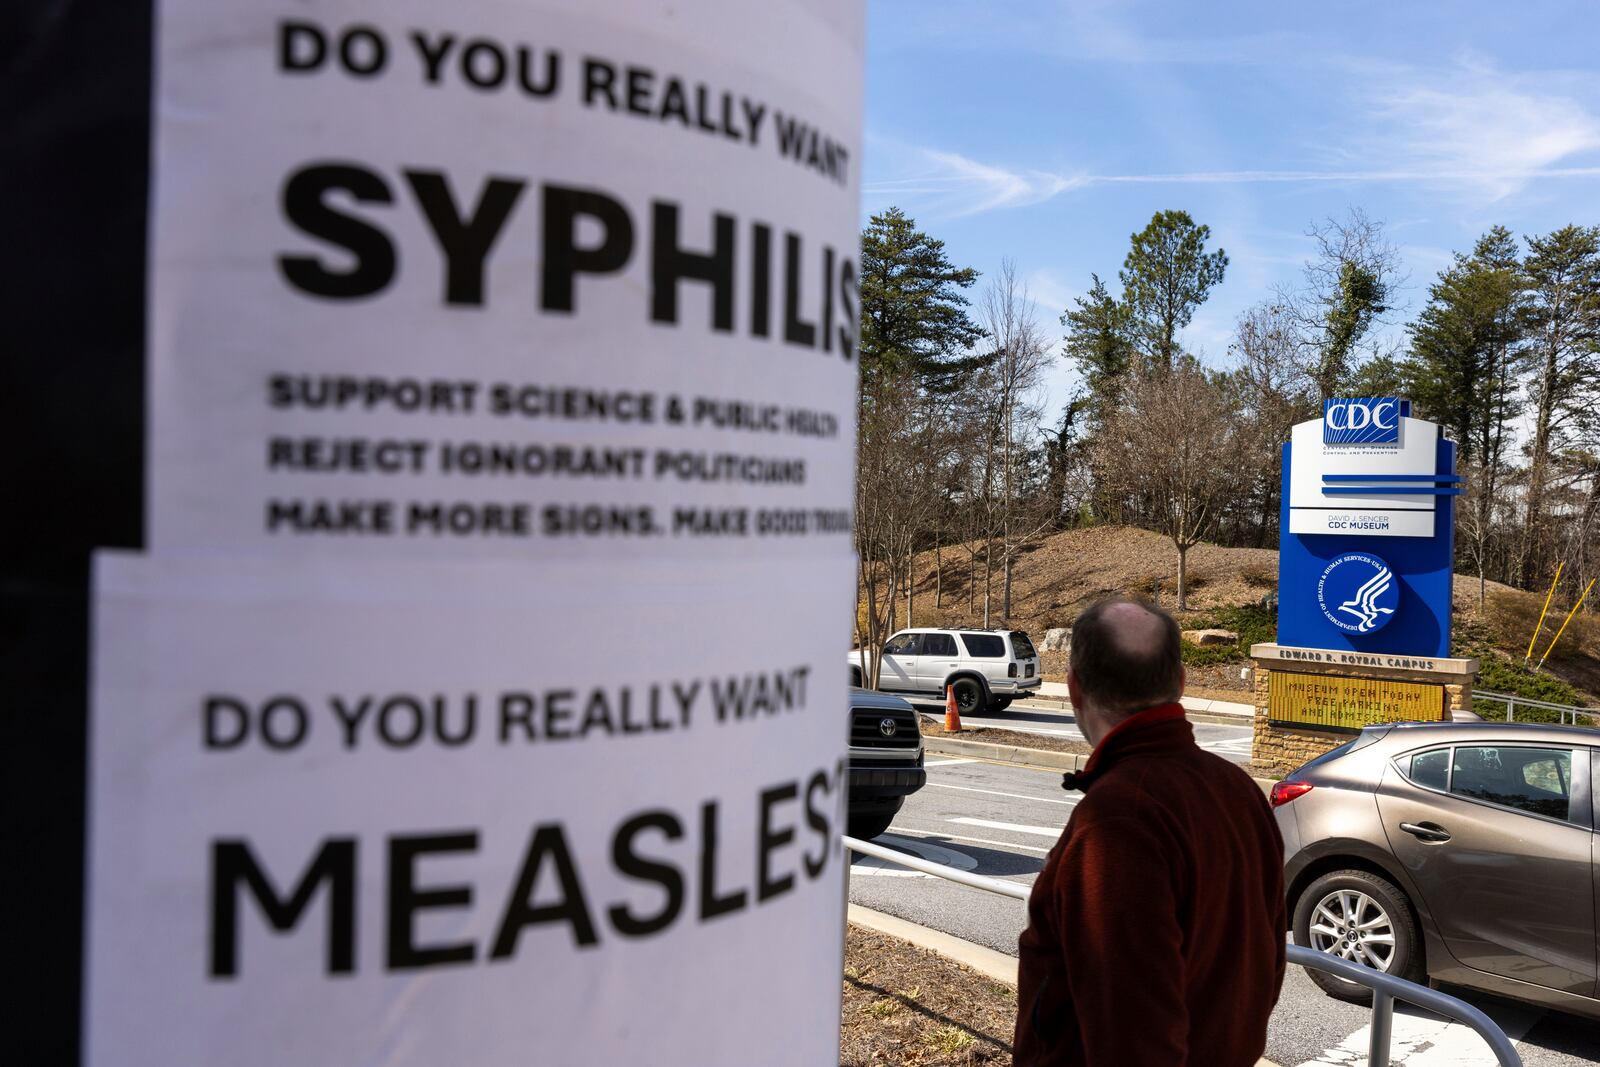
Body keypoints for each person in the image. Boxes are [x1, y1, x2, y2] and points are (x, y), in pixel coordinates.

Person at [1014, 598, 1285, 1066]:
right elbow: (1269, 964)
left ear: (1075, 687)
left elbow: (1133, 1043)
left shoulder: (1117, 821)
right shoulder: (1238, 790)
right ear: (1180, 682)